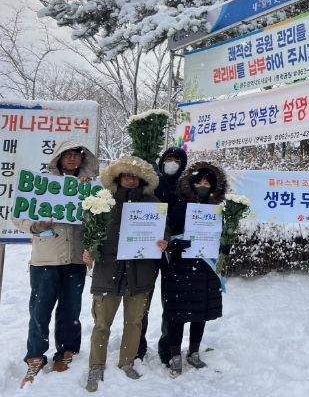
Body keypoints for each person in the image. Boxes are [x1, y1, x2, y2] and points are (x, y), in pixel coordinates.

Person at [15, 142, 99, 387]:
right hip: (46, 259)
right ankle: (35, 356)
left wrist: (93, 245)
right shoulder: (40, 184)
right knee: (40, 310)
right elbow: (19, 215)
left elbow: (100, 220)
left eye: (76, 156)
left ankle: (66, 351)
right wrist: (37, 225)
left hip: (75, 259)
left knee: (71, 309)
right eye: (67, 155)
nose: (72, 159)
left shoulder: (90, 186)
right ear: (59, 158)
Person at [83, 156, 167, 392]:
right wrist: (88, 250)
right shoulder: (103, 201)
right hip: (108, 270)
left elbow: (165, 229)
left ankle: (127, 361)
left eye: (135, 177)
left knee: (134, 321)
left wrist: (164, 241)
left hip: (140, 272)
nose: (130, 180)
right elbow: (89, 232)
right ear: (118, 178)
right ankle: (96, 364)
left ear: (141, 180)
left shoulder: (153, 204)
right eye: (126, 176)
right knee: (102, 323)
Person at [161, 162, 227, 377]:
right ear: (190, 183)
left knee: (201, 313)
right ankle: (175, 355)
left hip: (205, 267)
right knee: (177, 314)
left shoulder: (217, 211)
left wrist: (226, 244)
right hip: (181, 267)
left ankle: (194, 352)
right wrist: (174, 244)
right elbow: (165, 232)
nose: (203, 186)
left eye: (207, 183)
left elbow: (222, 237)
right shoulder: (179, 206)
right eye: (199, 182)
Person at [137, 147, 188, 365]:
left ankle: (167, 347)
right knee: (142, 299)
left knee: (170, 301)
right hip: (147, 247)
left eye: (177, 160)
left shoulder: (186, 188)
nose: (172, 163)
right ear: (161, 161)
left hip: (173, 251)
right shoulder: (150, 184)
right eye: (169, 159)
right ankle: (137, 346)